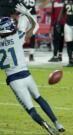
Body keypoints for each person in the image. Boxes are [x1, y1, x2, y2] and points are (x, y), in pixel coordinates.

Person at [0, 4, 64, 135]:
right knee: (39, 98)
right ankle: (57, 123)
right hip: (26, 75)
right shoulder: (17, 37)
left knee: (31, 109)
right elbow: (35, 26)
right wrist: (28, 15)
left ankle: (46, 126)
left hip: (13, 79)